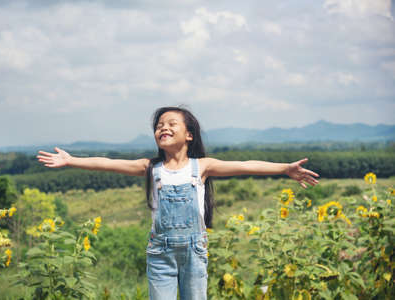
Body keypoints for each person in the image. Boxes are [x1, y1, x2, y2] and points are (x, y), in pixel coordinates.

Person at [36, 106, 319, 300]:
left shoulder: (202, 166)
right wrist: (71, 160)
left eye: (172, 124)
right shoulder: (149, 166)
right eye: (159, 126)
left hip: (195, 251)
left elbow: (246, 164)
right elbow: (107, 163)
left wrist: (284, 168)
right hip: (160, 253)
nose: (163, 128)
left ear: (189, 135)